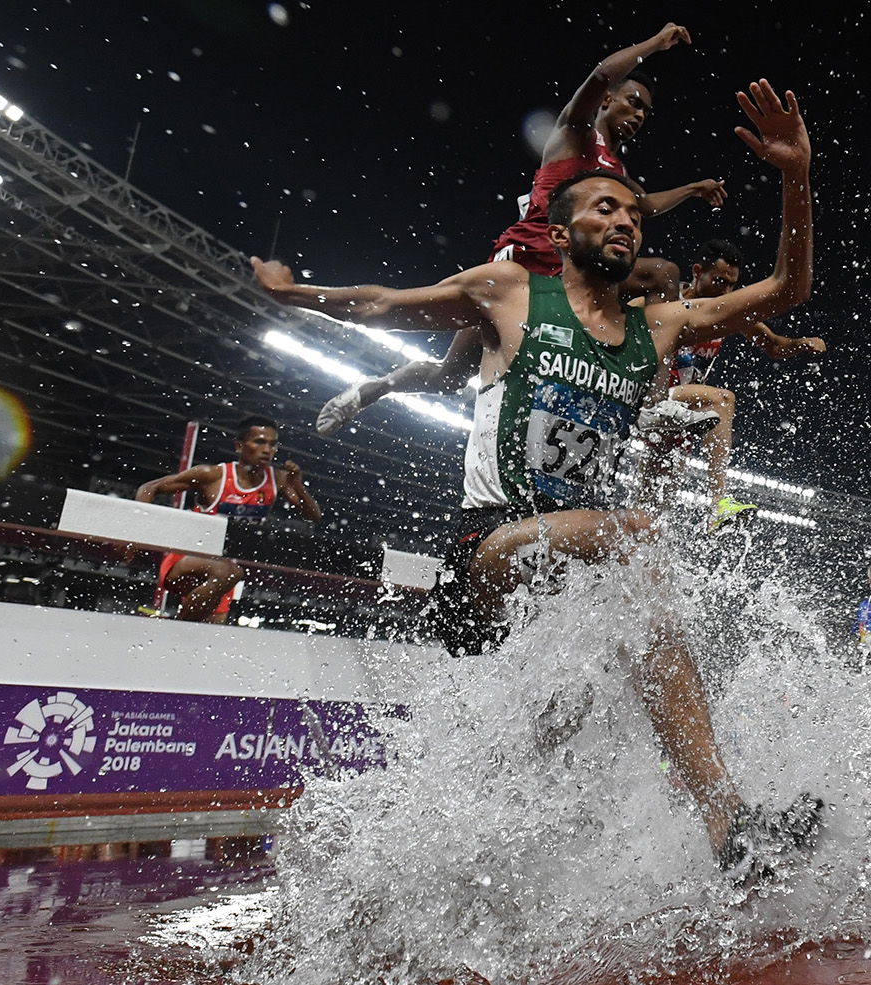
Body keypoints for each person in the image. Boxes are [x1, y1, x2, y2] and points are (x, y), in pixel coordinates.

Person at [253, 80, 820, 881]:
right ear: (560, 230)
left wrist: (796, 174)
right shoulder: (512, 291)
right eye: (602, 211)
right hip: (486, 557)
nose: (623, 220)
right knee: (639, 537)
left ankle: (728, 825)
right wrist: (295, 295)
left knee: (645, 619)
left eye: (631, 213)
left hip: (570, 584)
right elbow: (386, 302)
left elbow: (786, 292)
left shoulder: (658, 326)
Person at [315, 22, 726, 438]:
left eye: (645, 112)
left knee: (662, 276)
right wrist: (655, 45)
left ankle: (653, 405)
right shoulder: (575, 135)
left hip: (573, 274)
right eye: (633, 103)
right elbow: (602, 73)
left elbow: (646, 205)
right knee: (450, 377)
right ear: (606, 101)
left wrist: (693, 189)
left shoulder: (617, 173)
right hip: (523, 268)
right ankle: (375, 388)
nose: (638, 116)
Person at [638, 239, 827, 532]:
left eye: (731, 285)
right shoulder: (664, 302)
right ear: (698, 272)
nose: (725, 291)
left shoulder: (725, 311)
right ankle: (718, 504)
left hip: (681, 418)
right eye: (719, 281)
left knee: (650, 517)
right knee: (721, 401)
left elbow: (773, 345)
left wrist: (800, 344)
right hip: (654, 400)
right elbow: (613, 318)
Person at [135, 416, 322, 623]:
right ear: (240, 446)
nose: (267, 449)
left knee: (209, 634)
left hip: (222, 575)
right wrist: (134, 536)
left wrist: (298, 486)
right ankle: (175, 628)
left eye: (272, 444)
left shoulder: (278, 479)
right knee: (230, 572)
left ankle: (176, 630)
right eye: (259, 442)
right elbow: (149, 488)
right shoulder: (213, 475)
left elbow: (313, 516)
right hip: (186, 562)